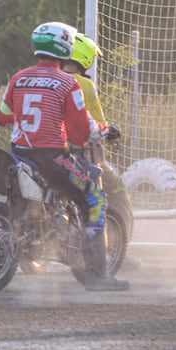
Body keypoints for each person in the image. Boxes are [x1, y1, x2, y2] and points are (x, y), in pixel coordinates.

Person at [0, 22, 129, 291]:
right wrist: (106, 131)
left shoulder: (18, 78)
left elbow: (2, 118)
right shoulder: (68, 83)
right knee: (95, 199)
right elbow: (82, 132)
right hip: (53, 158)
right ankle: (96, 276)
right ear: (66, 46)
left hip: (19, 155)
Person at [61, 32, 138, 269]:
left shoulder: (48, 78)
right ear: (85, 59)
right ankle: (115, 252)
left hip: (43, 151)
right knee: (115, 190)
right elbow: (96, 124)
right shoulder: (84, 84)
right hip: (78, 154)